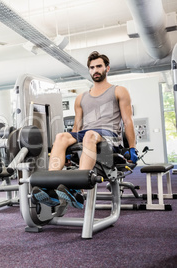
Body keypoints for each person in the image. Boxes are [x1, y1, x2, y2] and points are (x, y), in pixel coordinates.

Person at [31, 51, 137, 209]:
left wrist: (132, 147)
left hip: (110, 135)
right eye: (92, 67)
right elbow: (77, 126)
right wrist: (67, 149)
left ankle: (78, 191)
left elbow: (128, 121)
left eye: (99, 66)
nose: (95, 70)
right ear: (89, 70)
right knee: (61, 137)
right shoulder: (81, 97)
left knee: (89, 135)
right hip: (87, 134)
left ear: (107, 68)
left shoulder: (119, 91)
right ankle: (50, 187)